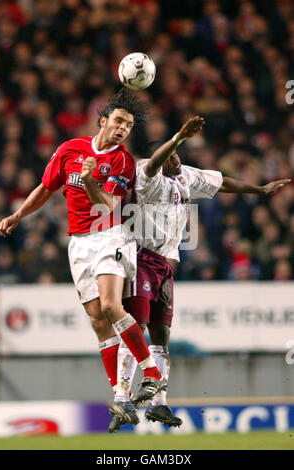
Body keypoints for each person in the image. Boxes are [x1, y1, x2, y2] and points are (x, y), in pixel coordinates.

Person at [101, 115, 291, 432]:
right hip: (142, 258)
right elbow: (155, 162)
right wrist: (176, 138)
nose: (176, 158)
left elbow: (222, 182)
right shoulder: (147, 176)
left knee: (162, 337)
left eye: (177, 154)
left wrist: (259, 190)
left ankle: (159, 404)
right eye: (171, 154)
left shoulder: (186, 176)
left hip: (165, 266)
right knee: (137, 326)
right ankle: (121, 394)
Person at [0, 88, 166, 425]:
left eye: (128, 125)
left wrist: (88, 180)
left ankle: (152, 373)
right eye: (118, 121)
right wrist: (18, 215)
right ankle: (121, 395)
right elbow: (46, 187)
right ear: (103, 121)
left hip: (111, 234)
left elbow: (108, 207)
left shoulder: (122, 161)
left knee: (111, 306)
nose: (122, 129)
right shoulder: (69, 149)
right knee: (99, 322)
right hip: (79, 243)